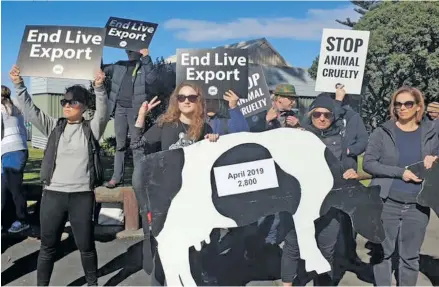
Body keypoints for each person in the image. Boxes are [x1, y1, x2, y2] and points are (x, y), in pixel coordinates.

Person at [9, 65, 109, 286]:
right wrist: (18, 84)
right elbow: (30, 110)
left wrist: (100, 88)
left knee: (86, 246)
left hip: (82, 196)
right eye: (65, 101)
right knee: (47, 247)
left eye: (73, 102)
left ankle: (92, 284)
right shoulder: (55, 127)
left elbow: (103, 111)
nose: (67, 105)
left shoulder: (91, 129)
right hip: (53, 195)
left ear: (83, 106)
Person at [130, 82, 220, 286]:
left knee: (193, 256)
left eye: (192, 97)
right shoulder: (165, 124)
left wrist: (214, 143)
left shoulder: (205, 128)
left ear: (199, 101)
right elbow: (137, 146)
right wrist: (141, 115)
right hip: (165, 202)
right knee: (163, 257)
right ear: (176, 101)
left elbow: (211, 166)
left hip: (192, 202)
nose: (186, 101)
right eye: (181, 97)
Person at [281, 87, 368, 286]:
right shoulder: (298, 137)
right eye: (317, 114)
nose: (321, 118)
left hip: (330, 205)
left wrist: (351, 173)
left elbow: (348, 165)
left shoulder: (340, 139)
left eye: (326, 114)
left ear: (332, 117)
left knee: (326, 249)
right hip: (301, 204)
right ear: (310, 115)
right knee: (293, 246)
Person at [363, 86, 438, 286]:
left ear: (418, 107)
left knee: (410, 257)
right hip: (387, 202)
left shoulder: (431, 132)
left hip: (418, 205)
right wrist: (400, 172)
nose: (402, 108)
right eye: (398, 104)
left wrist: (435, 159)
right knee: (382, 255)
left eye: (408, 104)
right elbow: (368, 163)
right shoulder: (382, 132)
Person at [103, 48, 157, 189]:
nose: (129, 52)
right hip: (120, 109)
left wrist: (146, 57)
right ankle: (116, 178)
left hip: (136, 110)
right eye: (127, 50)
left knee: (137, 145)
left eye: (132, 50)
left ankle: (139, 180)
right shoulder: (119, 65)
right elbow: (101, 70)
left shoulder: (144, 66)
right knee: (120, 145)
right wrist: (95, 55)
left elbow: (152, 79)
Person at [1, 85, 29, 233]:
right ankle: (10, 220)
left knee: (12, 188)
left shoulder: (1, 109)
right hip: (19, 150)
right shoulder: (16, 107)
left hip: (9, 151)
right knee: (7, 188)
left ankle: (21, 220)